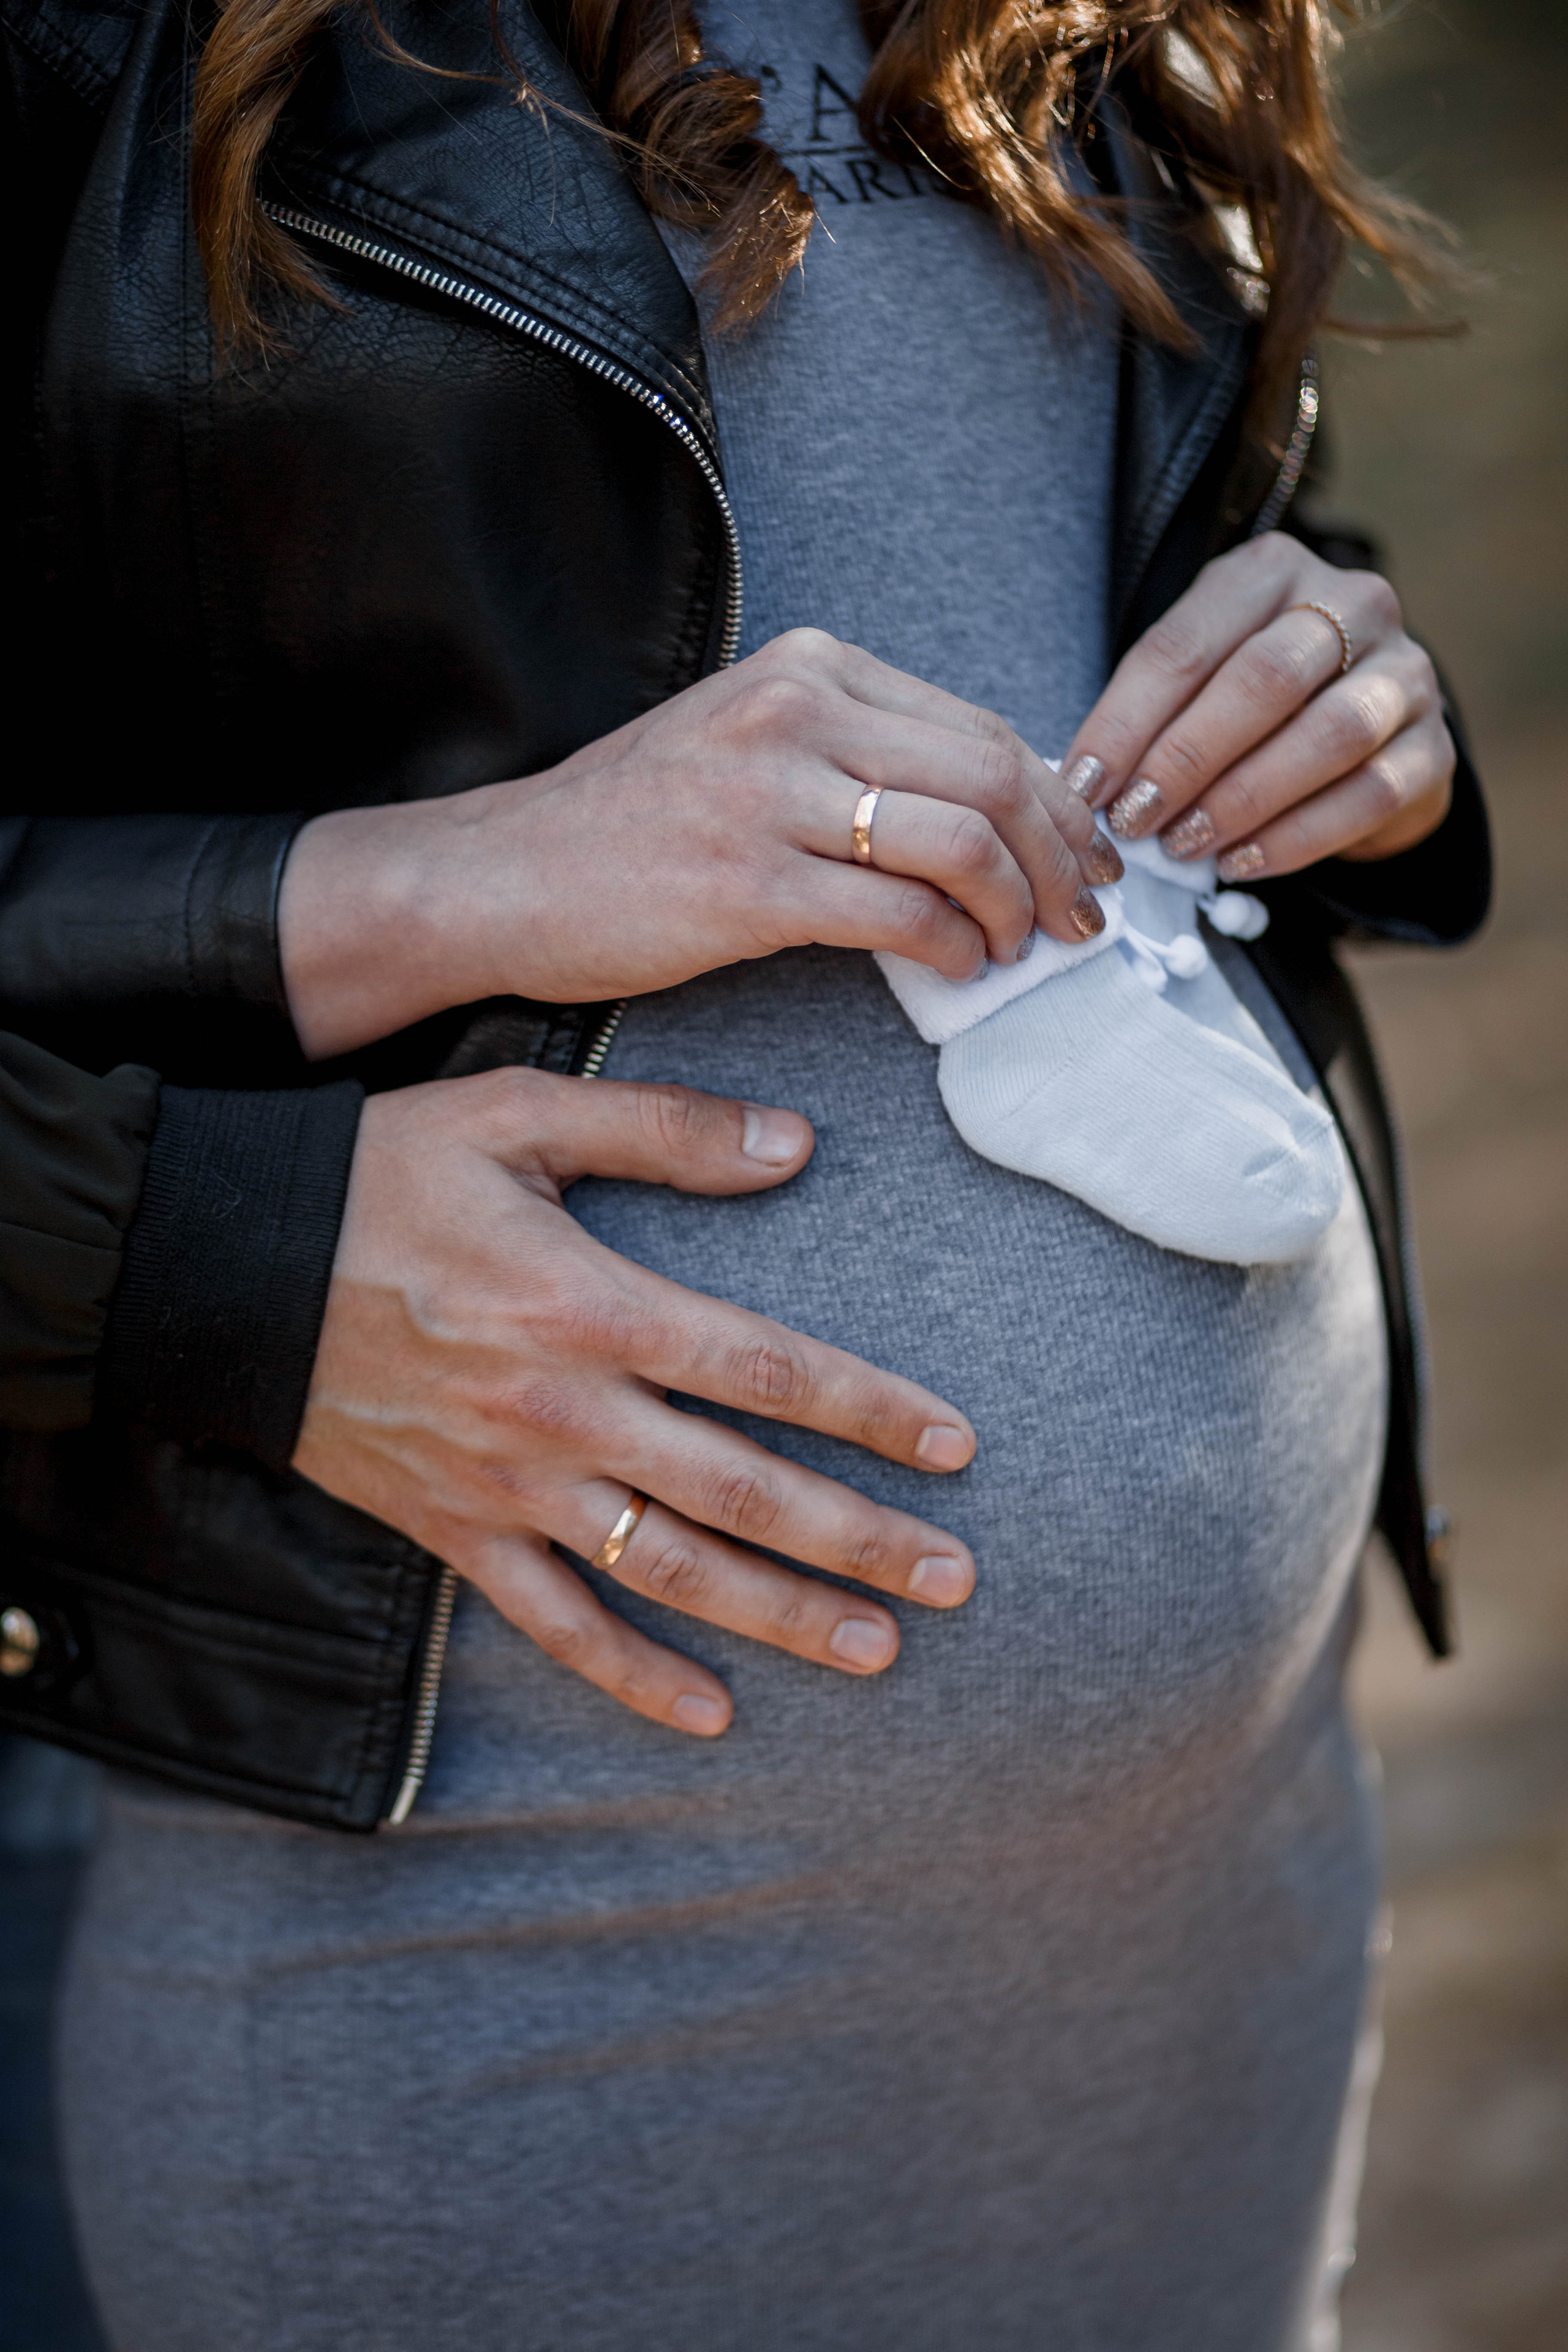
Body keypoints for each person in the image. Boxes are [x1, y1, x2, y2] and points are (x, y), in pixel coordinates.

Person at [1, 0, 1490, 2344]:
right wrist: (225, 1243)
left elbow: (1053, 545)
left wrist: (1349, 679)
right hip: (502, 1984)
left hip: (1212, 1937)